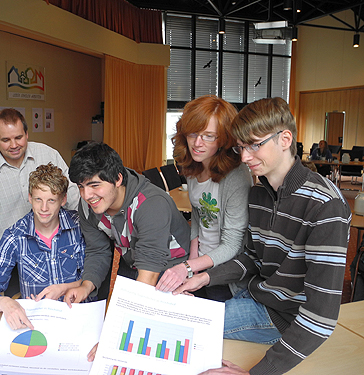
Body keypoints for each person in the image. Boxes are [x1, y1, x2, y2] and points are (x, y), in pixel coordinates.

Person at [174, 98, 351, 375]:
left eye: (255, 145)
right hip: (255, 295)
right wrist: (204, 277)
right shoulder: (259, 194)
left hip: (282, 317)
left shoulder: (325, 205)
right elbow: (253, 258)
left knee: (186, 323)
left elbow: (321, 317)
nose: (244, 157)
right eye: (241, 147)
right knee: (182, 314)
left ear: (285, 138)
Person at [63, 142, 191, 305]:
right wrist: (86, 286)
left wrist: (134, 308)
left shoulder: (151, 204)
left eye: (94, 185)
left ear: (117, 179)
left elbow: (150, 268)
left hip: (171, 267)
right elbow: (98, 250)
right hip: (132, 261)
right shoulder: (87, 206)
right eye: (81, 187)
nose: (87, 195)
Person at [156, 96, 252, 301]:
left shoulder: (237, 176)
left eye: (209, 136)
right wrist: (192, 259)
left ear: (224, 139)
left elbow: (232, 245)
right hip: (199, 262)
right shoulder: (193, 166)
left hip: (223, 271)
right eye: (193, 134)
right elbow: (198, 215)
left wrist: (188, 267)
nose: (197, 144)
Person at [0, 108, 80, 294]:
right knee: (19, 300)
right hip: (7, 248)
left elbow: (72, 195)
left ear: (26, 134)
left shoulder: (48, 154)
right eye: (5, 140)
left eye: (18, 137)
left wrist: (80, 230)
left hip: (55, 242)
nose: (13, 145)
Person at [0, 163, 86, 330]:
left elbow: (94, 279)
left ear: (63, 200)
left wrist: (64, 289)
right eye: (38, 199)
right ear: (30, 197)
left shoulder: (80, 227)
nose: (44, 208)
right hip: (38, 324)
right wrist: (4, 302)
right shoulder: (14, 236)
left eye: (51, 200)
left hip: (79, 317)